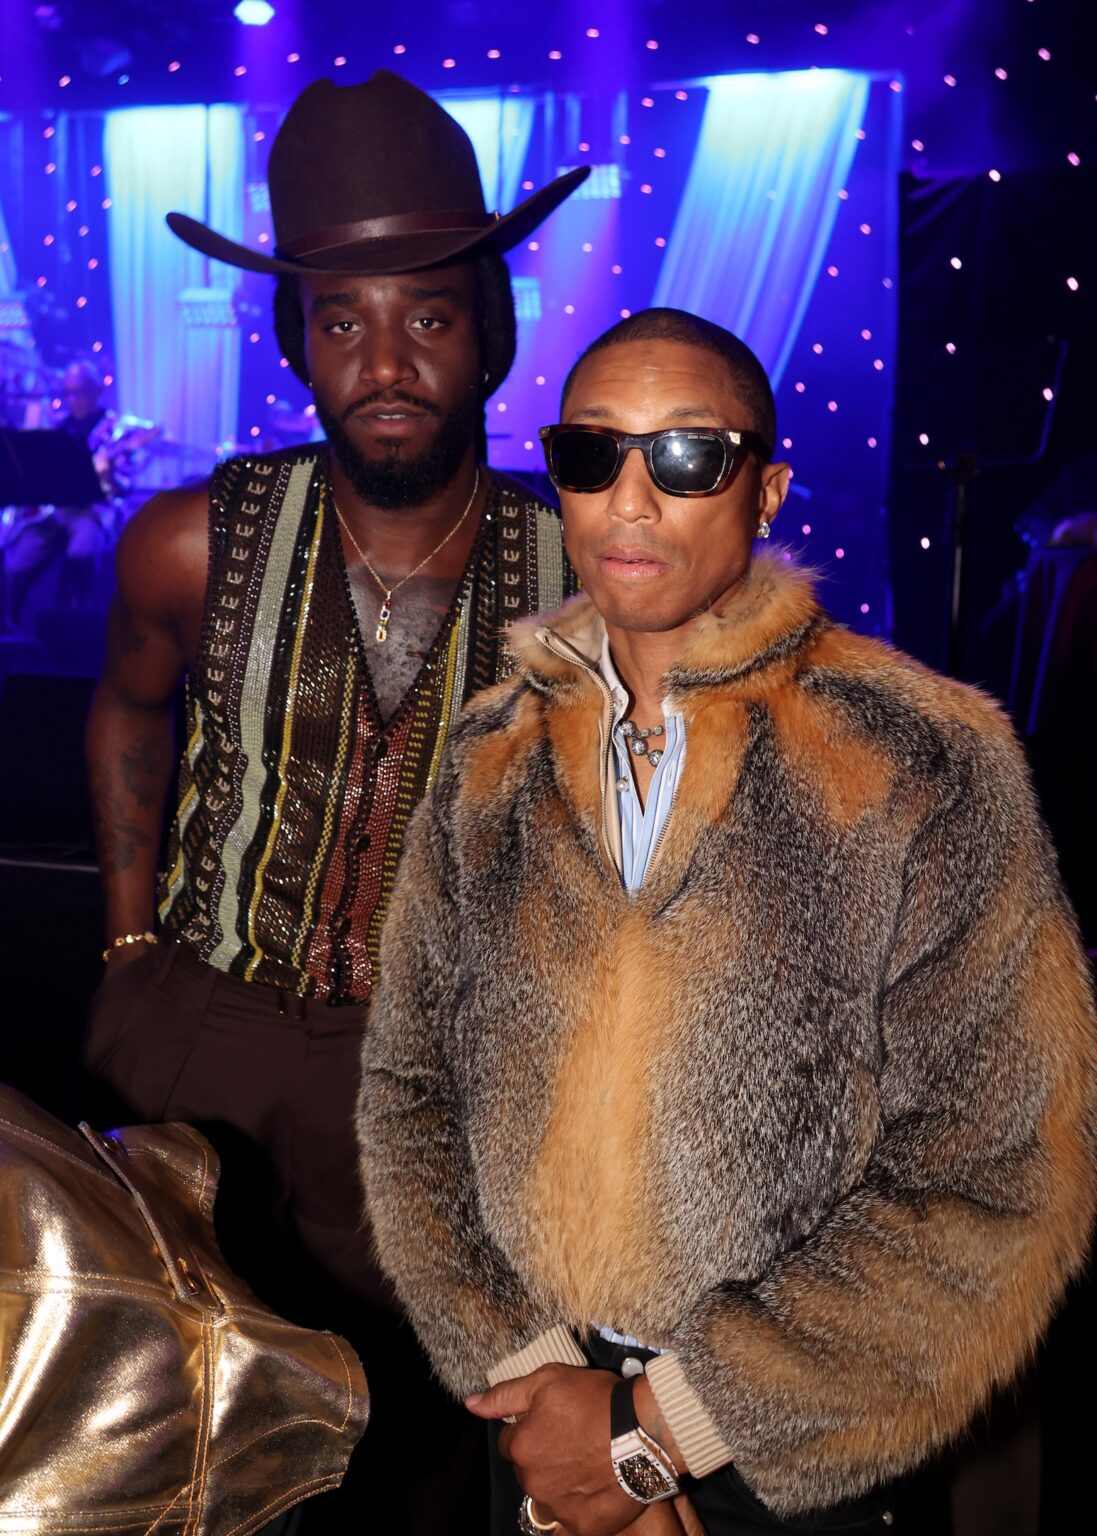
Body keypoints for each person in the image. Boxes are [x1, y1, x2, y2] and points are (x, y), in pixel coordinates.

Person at [358, 308, 1097, 1536]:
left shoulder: (916, 757)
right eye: (592, 456)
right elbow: (410, 1099)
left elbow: (995, 1171)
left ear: (765, 491)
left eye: (688, 456)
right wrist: (555, 1410)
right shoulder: (490, 755)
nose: (631, 500)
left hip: (795, 1451)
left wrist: (656, 1437)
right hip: (534, 1430)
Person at [81, 71, 585, 1534]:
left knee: (415, 1450)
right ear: (297, 340)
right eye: (341, 320)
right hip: (203, 1038)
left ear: (487, 334)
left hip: (443, 1077)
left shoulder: (584, 582)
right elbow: (126, 708)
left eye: (425, 317)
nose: (384, 360)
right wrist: (126, 951)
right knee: (178, 1431)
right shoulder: (189, 542)